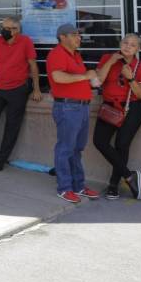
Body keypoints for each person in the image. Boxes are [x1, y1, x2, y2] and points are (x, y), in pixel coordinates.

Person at [46, 24, 100, 203]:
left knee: (77, 149)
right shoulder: (57, 54)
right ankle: (64, 188)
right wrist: (85, 76)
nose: (79, 38)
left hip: (82, 107)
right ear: (62, 37)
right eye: (75, 35)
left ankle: (79, 185)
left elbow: (87, 80)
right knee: (65, 148)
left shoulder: (75, 55)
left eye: (79, 34)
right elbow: (58, 77)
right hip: (68, 108)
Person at [93, 34, 141, 199]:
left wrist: (131, 78)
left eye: (132, 45)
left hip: (132, 108)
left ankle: (113, 185)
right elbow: (98, 81)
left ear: (138, 49)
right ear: (120, 43)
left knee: (121, 145)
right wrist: (111, 62)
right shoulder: (106, 58)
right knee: (99, 141)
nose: (128, 46)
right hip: (110, 107)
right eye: (125, 42)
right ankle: (129, 176)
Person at [0, 16, 41, 171]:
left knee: (12, 125)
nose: (3, 31)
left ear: (16, 30)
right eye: (3, 27)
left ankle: (1, 159)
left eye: (7, 28)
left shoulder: (25, 41)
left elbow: (33, 66)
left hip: (18, 88)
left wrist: (36, 88)